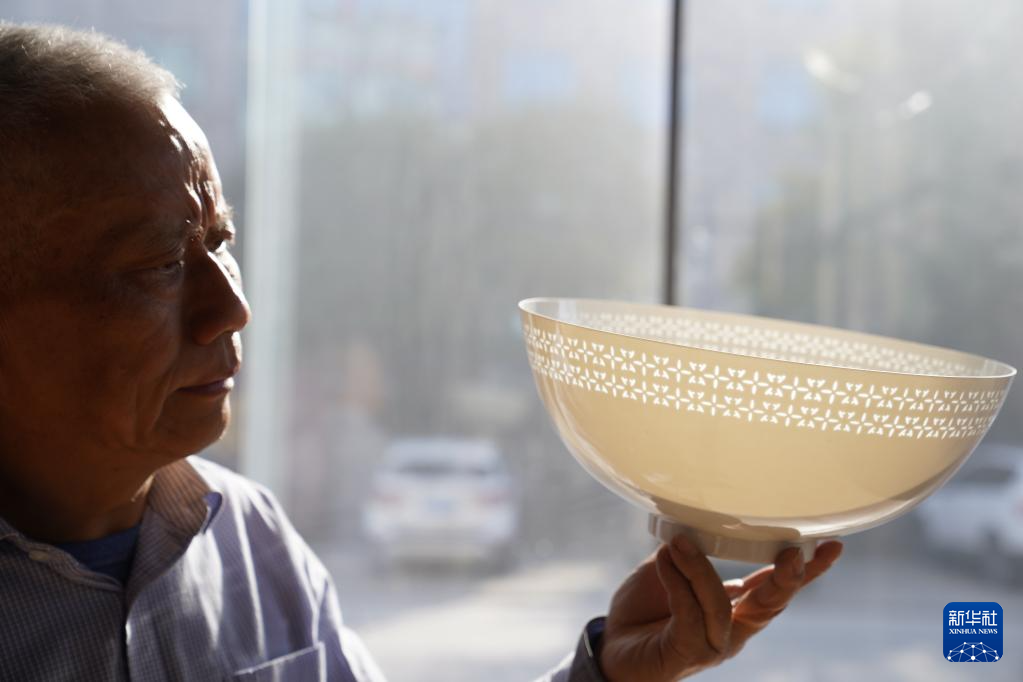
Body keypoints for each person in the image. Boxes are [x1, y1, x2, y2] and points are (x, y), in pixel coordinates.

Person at [0, 23, 843, 682]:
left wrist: (612, 671)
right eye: (157, 266)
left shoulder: (251, 541)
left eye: (221, 243)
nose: (232, 308)